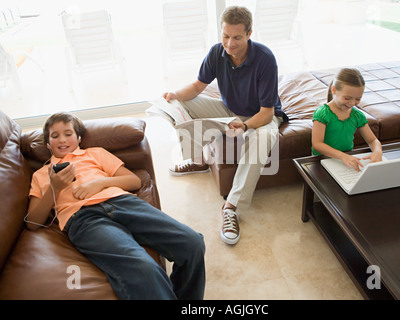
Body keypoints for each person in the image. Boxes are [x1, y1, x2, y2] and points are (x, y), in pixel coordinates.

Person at [25, 112, 205, 300]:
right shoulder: (41, 174)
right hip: (85, 220)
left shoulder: (95, 153)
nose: (62, 140)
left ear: (78, 138)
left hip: (123, 203)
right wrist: (55, 188)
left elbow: (133, 181)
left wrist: (100, 183)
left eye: (68, 134)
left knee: (192, 243)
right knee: (144, 268)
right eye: (55, 136)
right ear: (48, 145)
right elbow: (32, 222)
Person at [163, 6, 288, 245]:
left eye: (237, 37)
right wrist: (174, 94)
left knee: (262, 139)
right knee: (183, 105)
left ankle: (231, 207)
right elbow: (198, 87)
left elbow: (266, 112)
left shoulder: (265, 59)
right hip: (230, 110)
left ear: (249, 33)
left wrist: (244, 127)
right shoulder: (216, 53)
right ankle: (199, 161)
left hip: (261, 116)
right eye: (225, 36)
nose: (230, 43)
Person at [311, 68, 382, 171]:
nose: (352, 103)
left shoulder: (357, 115)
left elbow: (372, 140)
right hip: (322, 160)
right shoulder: (322, 113)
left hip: (346, 159)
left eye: (357, 99)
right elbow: (317, 144)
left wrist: (377, 151)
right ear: (334, 90)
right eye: (347, 98)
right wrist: (341, 156)